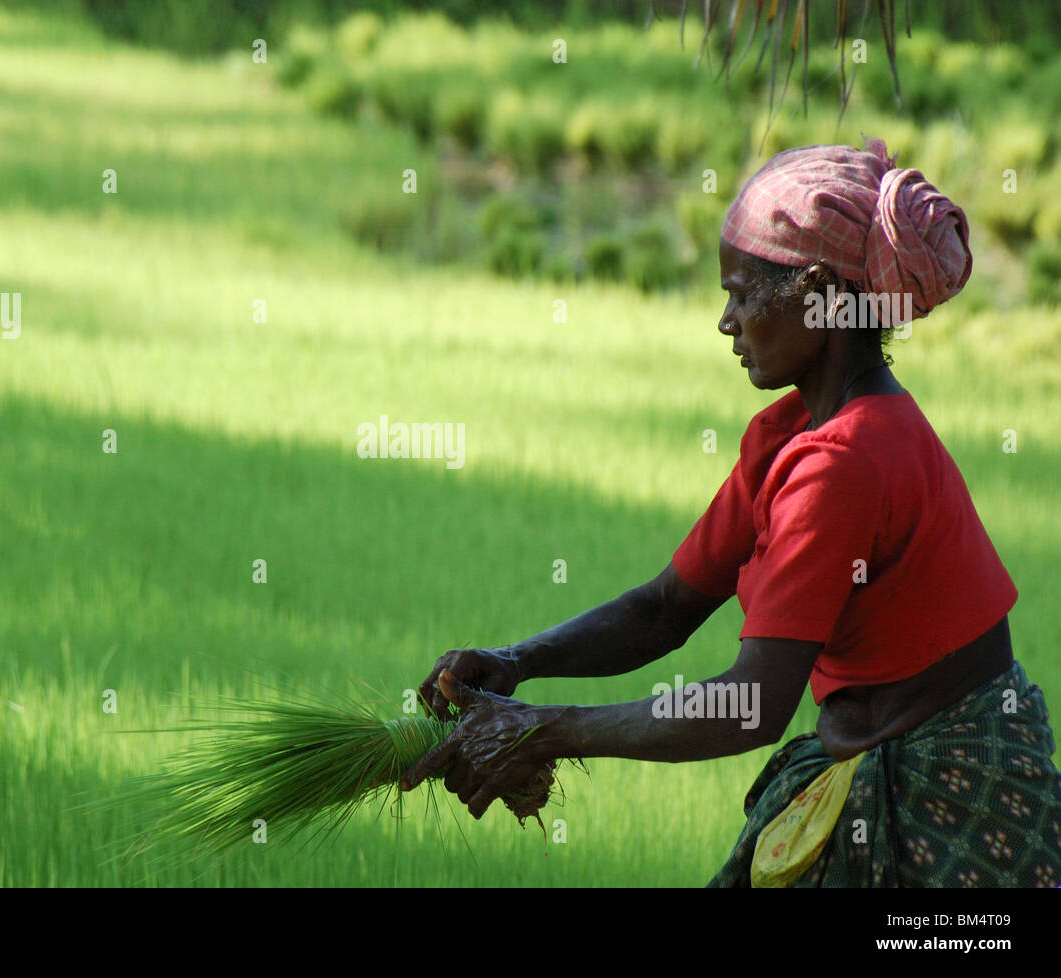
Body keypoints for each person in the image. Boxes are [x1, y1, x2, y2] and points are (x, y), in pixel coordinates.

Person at [400, 137, 1061, 887]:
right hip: (871, 762)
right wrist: (518, 664)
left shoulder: (842, 463)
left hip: (952, 803)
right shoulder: (789, 436)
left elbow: (751, 704)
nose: (727, 320)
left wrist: (544, 732)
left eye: (744, 294)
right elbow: (663, 609)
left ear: (816, 292)